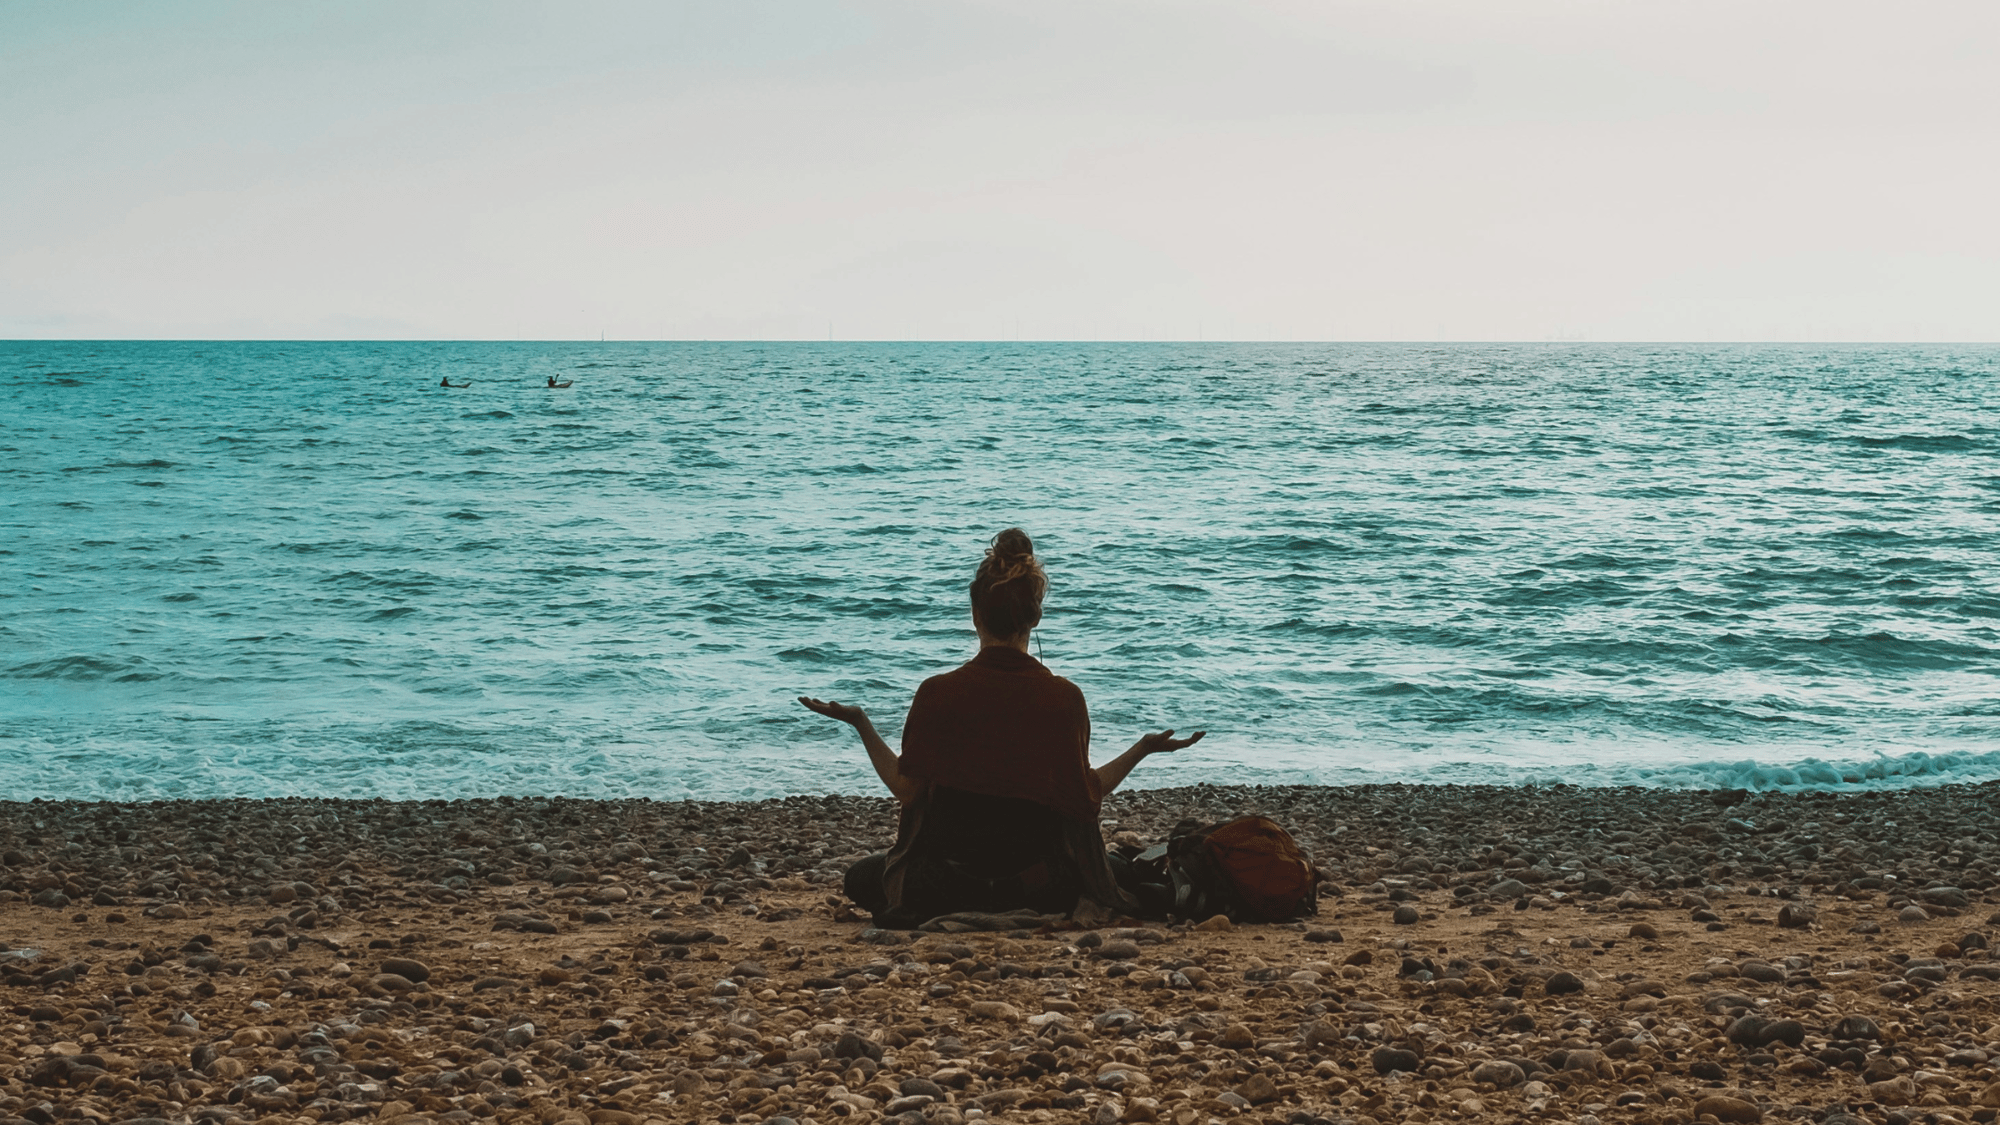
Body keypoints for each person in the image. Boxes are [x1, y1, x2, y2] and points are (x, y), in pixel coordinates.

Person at [799, 528, 1203, 926]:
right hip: (1040, 887)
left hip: (944, 884)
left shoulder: (937, 693)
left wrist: (861, 723)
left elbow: (908, 791)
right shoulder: (1064, 698)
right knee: (1117, 868)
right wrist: (1141, 749)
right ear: (1036, 616)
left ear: (974, 613)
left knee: (862, 878)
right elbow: (1085, 799)